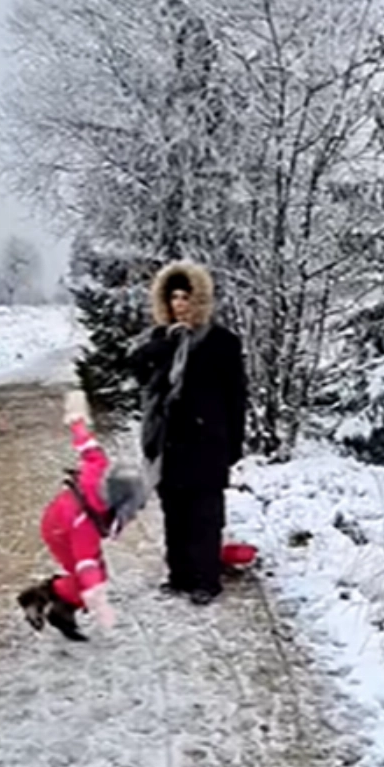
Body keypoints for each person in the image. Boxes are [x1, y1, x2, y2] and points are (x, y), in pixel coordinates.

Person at [129, 259, 247, 605]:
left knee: (206, 515)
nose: (179, 305)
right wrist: (159, 349)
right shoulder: (160, 339)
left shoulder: (221, 342)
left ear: (199, 300)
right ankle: (179, 576)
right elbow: (137, 374)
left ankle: (206, 580)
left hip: (207, 441)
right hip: (168, 442)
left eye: (185, 297)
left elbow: (236, 395)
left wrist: (234, 444)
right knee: (174, 512)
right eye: (173, 298)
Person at [17, 389, 147, 642]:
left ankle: (56, 602)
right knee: (88, 579)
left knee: (93, 575)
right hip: (60, 532)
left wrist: (77, 418)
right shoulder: (83, 525)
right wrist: (100, 603)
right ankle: (47, 600)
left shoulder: (99, 468)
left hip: (60, 518)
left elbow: (88, 446)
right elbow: (85, 562)